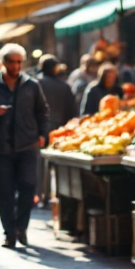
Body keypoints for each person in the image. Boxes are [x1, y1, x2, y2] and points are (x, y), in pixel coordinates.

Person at [0, 44, 49, 249]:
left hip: (27, 145)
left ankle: (21, 227)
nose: (16, 66)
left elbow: (43, 112)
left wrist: (43, 134)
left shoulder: (32, 85)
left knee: (28, 185)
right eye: (11, 62)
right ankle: (9, 233)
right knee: (4, 192)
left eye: (19, 62)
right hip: (0, 148)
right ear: (3, 62)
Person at [36, 55, 76, 207]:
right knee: (57, 164)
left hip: (39, 128)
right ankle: (57, 196)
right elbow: (72, 111)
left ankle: (40, 194)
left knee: (39, 162)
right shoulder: (64, 87)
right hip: (59, 128)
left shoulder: (35, 84)